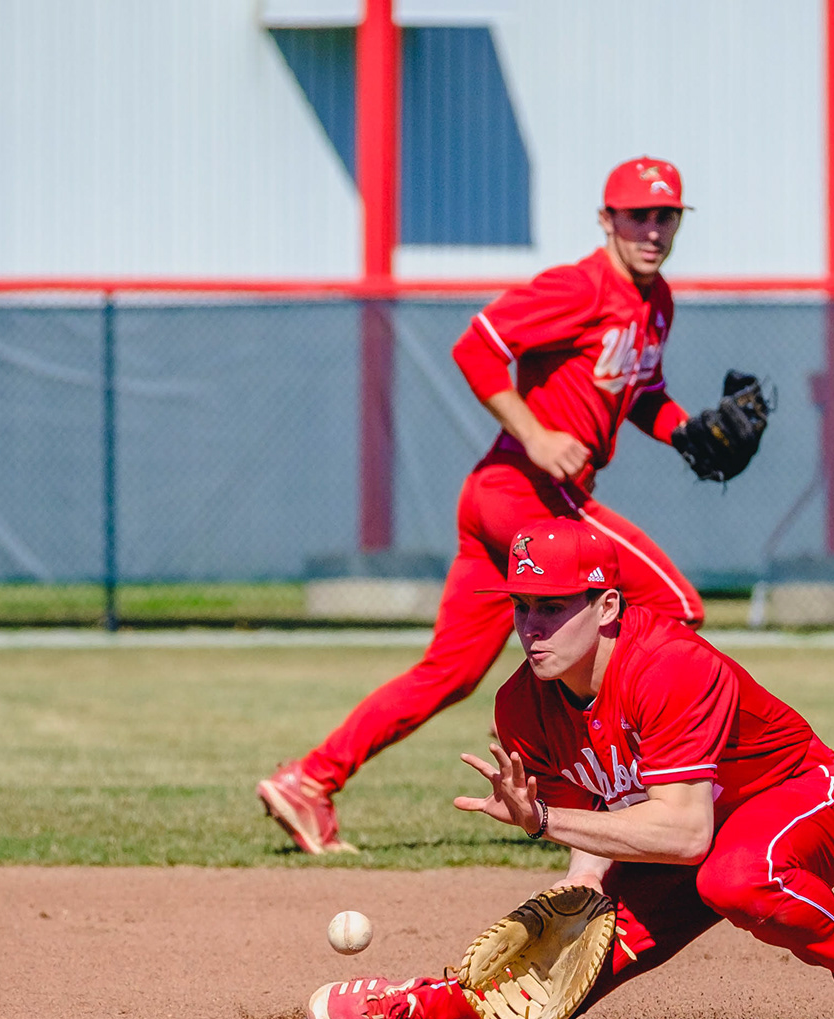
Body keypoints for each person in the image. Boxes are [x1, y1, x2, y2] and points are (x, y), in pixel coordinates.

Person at [303, 518, 834, 1019]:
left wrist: (546, 824)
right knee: (551, 985)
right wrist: (584, 887)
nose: (532, 627)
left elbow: (689, 836)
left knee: (735, 878)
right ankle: (417, 1003)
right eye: (521, 606)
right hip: (680, 829)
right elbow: (599, 809)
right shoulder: (522, 705)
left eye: (552, 606)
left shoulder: (670, 668)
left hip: (795, 796)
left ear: (607, 605)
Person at [258, 157, 714, 855]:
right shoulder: (578, 287)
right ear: (606, 219)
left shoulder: (657, 304)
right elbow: (476, 347)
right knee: (676, 607)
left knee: (449, 673)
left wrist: (685, 429)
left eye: (665, 217)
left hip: (503, 500)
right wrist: (535, 433)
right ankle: (616, 786)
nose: (652, 230)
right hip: (527, 494)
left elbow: (640, 392)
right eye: (637, 216)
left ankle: (310, 781)